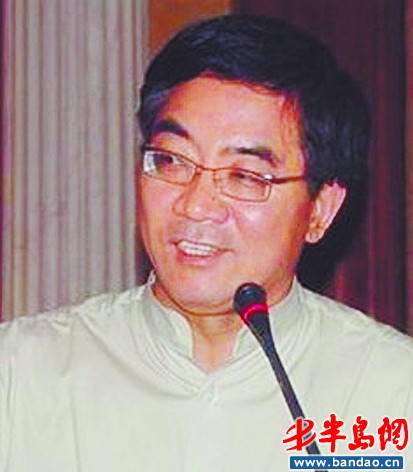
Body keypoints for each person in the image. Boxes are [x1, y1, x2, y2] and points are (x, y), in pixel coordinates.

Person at [1, 15, 412, 472]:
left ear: (320, 210)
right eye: (172, 160)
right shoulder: (20, 378)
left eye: (246, 176)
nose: (195, 206)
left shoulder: (390, 394)